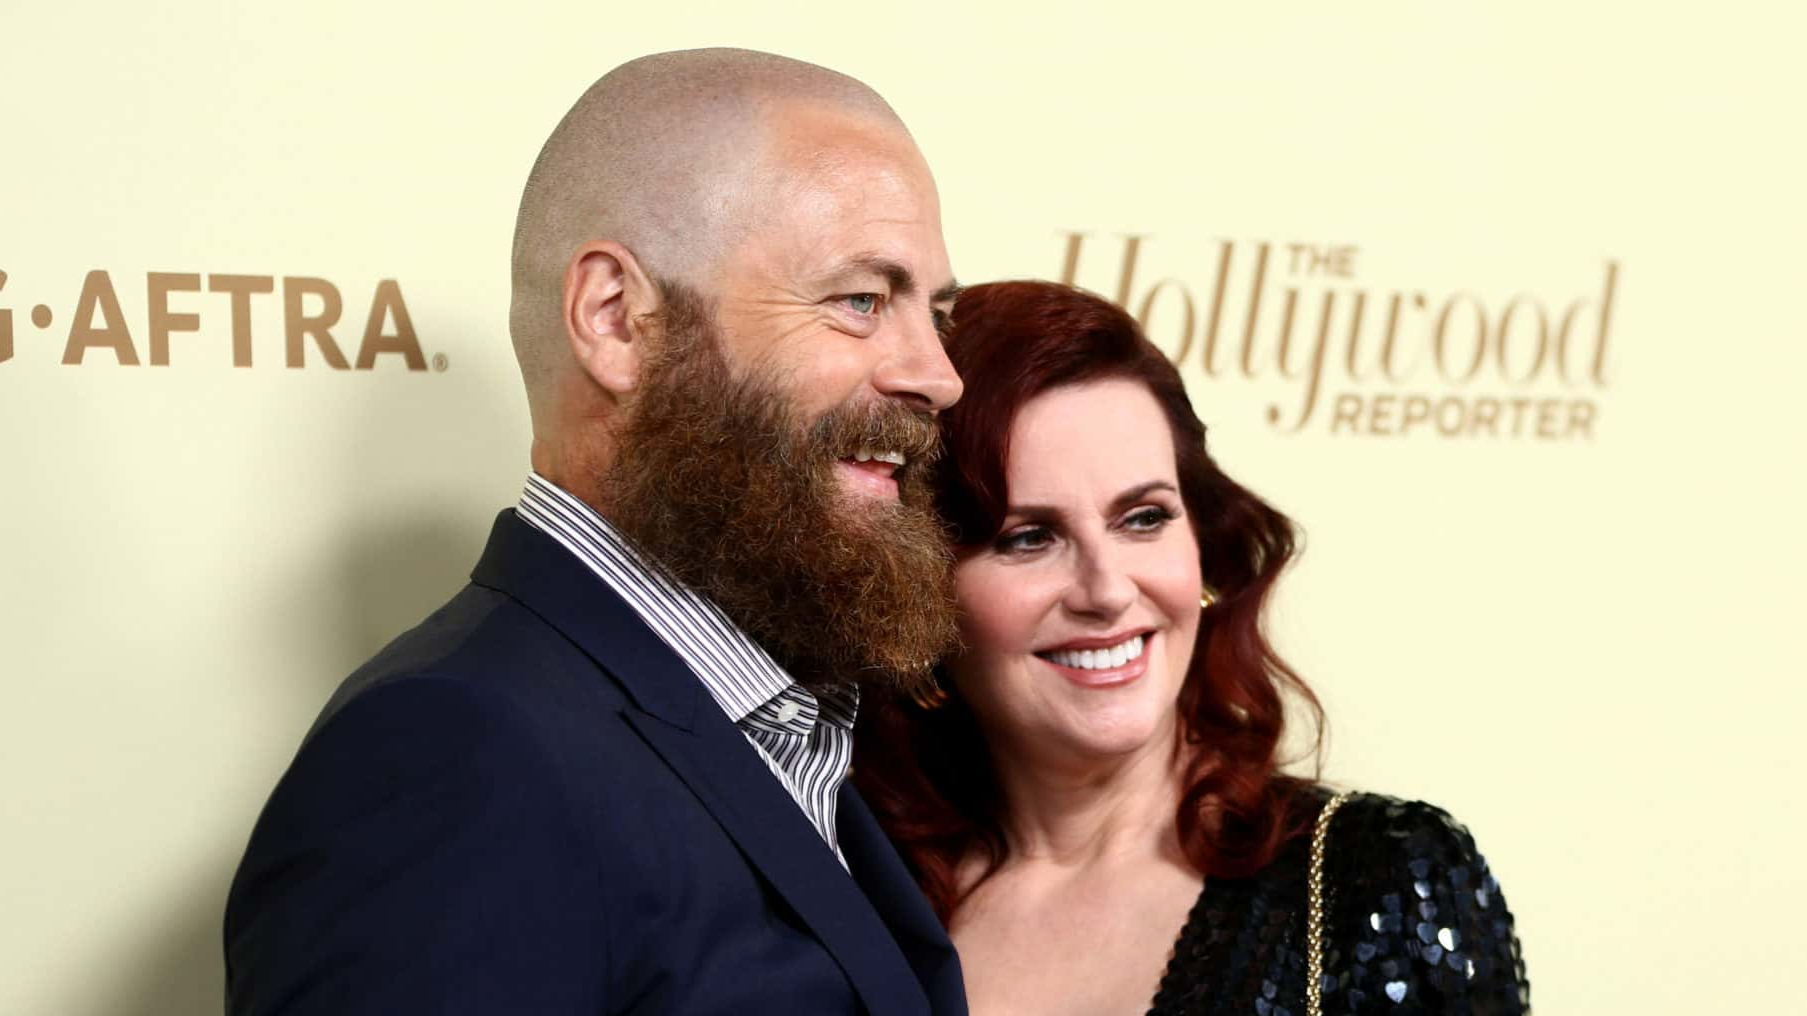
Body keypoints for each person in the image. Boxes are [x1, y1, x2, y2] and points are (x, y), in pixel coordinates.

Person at [224, 49, 969, 1015]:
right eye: (860, 299)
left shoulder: (784, 719)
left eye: (936, 312)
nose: (938, 374)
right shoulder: (455, 759)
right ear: (617, 320)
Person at [855, 280, 1530, 1016]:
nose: (1107, 590)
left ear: (1202, 546)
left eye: (1143, 519)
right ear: (918, 593)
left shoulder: (1377, 875)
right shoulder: (857, 910)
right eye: (1028, 537)